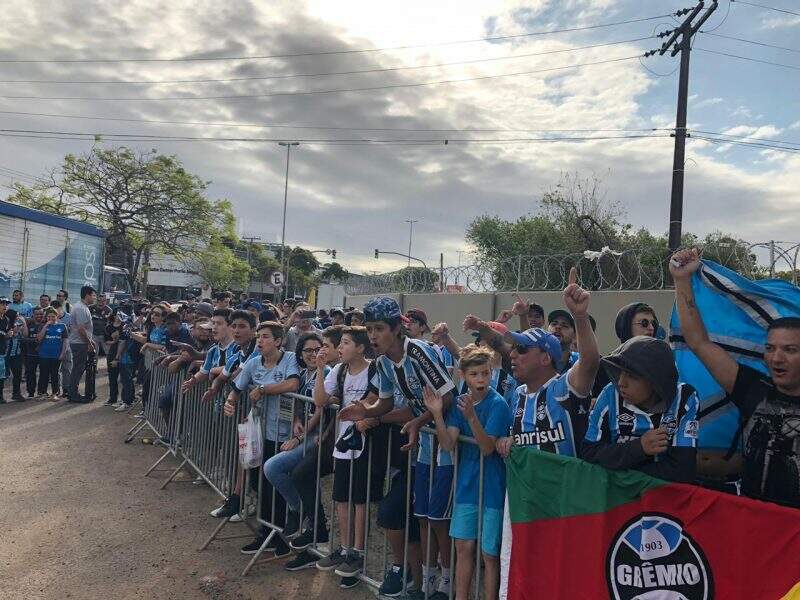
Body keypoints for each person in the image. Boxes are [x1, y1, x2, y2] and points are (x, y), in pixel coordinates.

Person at [339, 297, 457, 599]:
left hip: (447, 439)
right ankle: (424, 584)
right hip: (425, 444)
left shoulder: (417, 352)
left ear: (396, 329)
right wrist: (366, 411)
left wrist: (418, 422)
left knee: (439, 520)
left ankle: (446, 584)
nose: (374, 336)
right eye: (370, 329)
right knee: (423, 517)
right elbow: (388, 402)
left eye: (379, 328)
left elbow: (447, 397)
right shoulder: (383, 363)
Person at [671, 248, 800, 507]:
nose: (776, 358)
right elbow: (698, 342)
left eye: (790, 350)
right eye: (770, 348)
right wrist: (682, 281)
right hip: (752, 521)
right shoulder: (754, 390)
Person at [425, 345, 511, 600]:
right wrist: (437, 414)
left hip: (493, 487)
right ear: (463, 376)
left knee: (489, 554)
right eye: (475, 374)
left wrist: (472, 418)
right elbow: (448, 444)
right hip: (466, 486)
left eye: (485, 373)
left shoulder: (498, 404)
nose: (482, 379)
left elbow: (486, 448)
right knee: (463, 546)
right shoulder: (461, 402)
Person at [495, 268, 600, 460]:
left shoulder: (563, 389)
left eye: (522, 349)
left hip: (562, 489)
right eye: (514, 348)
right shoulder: (519, 394)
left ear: (545, 358)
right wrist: (510, 440)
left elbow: (590, 362)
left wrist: (580, 316)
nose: (513, 354)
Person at [313, 326, 388, 589]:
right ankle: (345, 549)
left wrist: (367, 417)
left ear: (360, 347)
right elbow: (320, 400)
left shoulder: (375, 369)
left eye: (345, 343)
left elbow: (376, 401)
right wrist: (321, 370)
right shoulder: (339, 370)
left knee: (360, 501)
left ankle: (358, 552)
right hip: (344, 444)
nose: (340, 347)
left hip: (367, 446)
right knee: (342, 499)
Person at [224, 321, 301, 557]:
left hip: (286, 434)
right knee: (262, 485)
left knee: (279, 485)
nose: (260, 341)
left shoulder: (289, 359)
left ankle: (282, 536)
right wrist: (230, 402)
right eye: (259, 336)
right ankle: (265, 533)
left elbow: (293, 383)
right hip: (261, 433)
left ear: (278, 341)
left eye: (266, 337)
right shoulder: (254, 363)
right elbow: (237, 388)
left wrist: (265, 389)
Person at [582, 336, 699, 482]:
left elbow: (682, 470)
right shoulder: (609, 394)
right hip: (616, 497)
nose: (621, 383)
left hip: (663, 498)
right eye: (619, 372)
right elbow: (589, 454)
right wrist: (639, 448)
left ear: (656, 380)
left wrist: (619, 470)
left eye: (631, 375)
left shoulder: (685, 398)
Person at [264, 332, 334, 572]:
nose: (314, 354)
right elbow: (296, 404)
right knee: (292, 475)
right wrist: (295, 420)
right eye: (308, 351)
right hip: (304, 435)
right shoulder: (304, 375)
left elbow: (321, 409)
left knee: (274, 467)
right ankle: (304, 520)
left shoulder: (328, 373)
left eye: (318, 349)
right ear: (301, 355)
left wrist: (299, 437)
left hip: (318, 439)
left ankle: (299, 512)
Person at [65, 285, 97, 403]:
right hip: (79, 343)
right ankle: (73, 394)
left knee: (79, 368)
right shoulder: (80, 308)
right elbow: (81, 329)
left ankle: (73, 392)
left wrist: (90, 340)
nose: (94, 298)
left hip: (80, 341)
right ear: (87, 295)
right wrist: (88, 342)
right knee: (78, 368)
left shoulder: (83, 307)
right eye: (93, 295)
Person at [36, 307, 68, 400]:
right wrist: (45, 326)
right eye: (49, 316)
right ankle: (42, 393)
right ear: (46, 317)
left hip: (56, 355)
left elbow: (65, 341)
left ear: (57, 316)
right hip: (44, 354)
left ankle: (55, 393)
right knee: (43, 374)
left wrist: (63, 353)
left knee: (55, 374)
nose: (51, 318)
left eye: (53, 316)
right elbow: (39, 339)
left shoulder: (62, 326)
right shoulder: (43, 326)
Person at [2, 309, 27, 401]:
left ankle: (16, 394)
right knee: (3, 376)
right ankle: (0, 396)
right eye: (16, 316)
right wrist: (12, 333)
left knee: (18, 375)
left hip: (16, 354)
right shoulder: (5, 325)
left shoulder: (18, 325)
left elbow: (25, 335)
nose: (18, 318)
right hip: (5, 355)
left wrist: (24, 323)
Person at [23, 307, 45, 399]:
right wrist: (35, 341)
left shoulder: (45, 325)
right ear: (33, 314)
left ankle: (41, 392)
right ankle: (31, 393)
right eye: (37, 314)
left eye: (41, 314)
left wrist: (33, 340)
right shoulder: (28, 324)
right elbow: (24, 339)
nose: (39, 316)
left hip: (43, 354)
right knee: (30, 374)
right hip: (31, 354)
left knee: (44, 373)